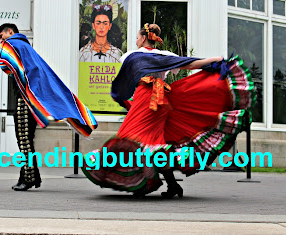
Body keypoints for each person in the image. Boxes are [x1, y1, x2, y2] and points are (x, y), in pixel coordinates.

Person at [82, 23, 256, 198]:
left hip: (145, 100)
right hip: (161, 101)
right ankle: (172, 185)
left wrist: (119, 95)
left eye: (137, 38)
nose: (136, 41)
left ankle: (142, 184)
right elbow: (190, 64)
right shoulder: (166, 56)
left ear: (143, 38)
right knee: (153, 144)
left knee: (133, 139)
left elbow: (124, 82)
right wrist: (214, 60)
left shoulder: (131, 56)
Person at [0, 23, 98, 191]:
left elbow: (5, 66)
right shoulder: (27, 48)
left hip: (25, 100)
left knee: (24, 141)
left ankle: (28, 178)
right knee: (27, 140)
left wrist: (5, 49)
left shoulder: (13, 44)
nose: (2, 41)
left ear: (10, 31)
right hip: (31, 102)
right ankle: (30, 176)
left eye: (2, 36)